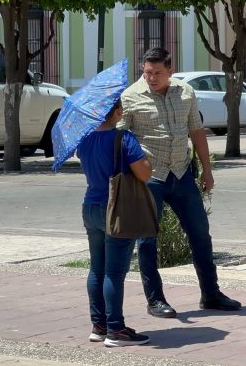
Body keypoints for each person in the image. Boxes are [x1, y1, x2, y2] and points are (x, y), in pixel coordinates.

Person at [119, 47, 241, 318]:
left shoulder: (185, 92)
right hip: (149, 177)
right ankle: (155, 300)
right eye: (147, 72)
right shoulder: (130, 97)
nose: (151, 78)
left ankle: (211, 293)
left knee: (200, 234)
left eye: (157, 73)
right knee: (147, 240)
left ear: (170, 70)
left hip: (182, 173)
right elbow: (120, 137)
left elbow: (196, 131)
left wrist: (207, 170)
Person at [77, 99, 152, 347]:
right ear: (117, 112)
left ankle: (98, 326)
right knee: (114, 272)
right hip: (117, 208)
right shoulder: (124, 138)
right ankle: (116, 329)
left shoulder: (84, 139)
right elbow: (144, 173)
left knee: (97, 268)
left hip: (91, 206)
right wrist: (146, 160)